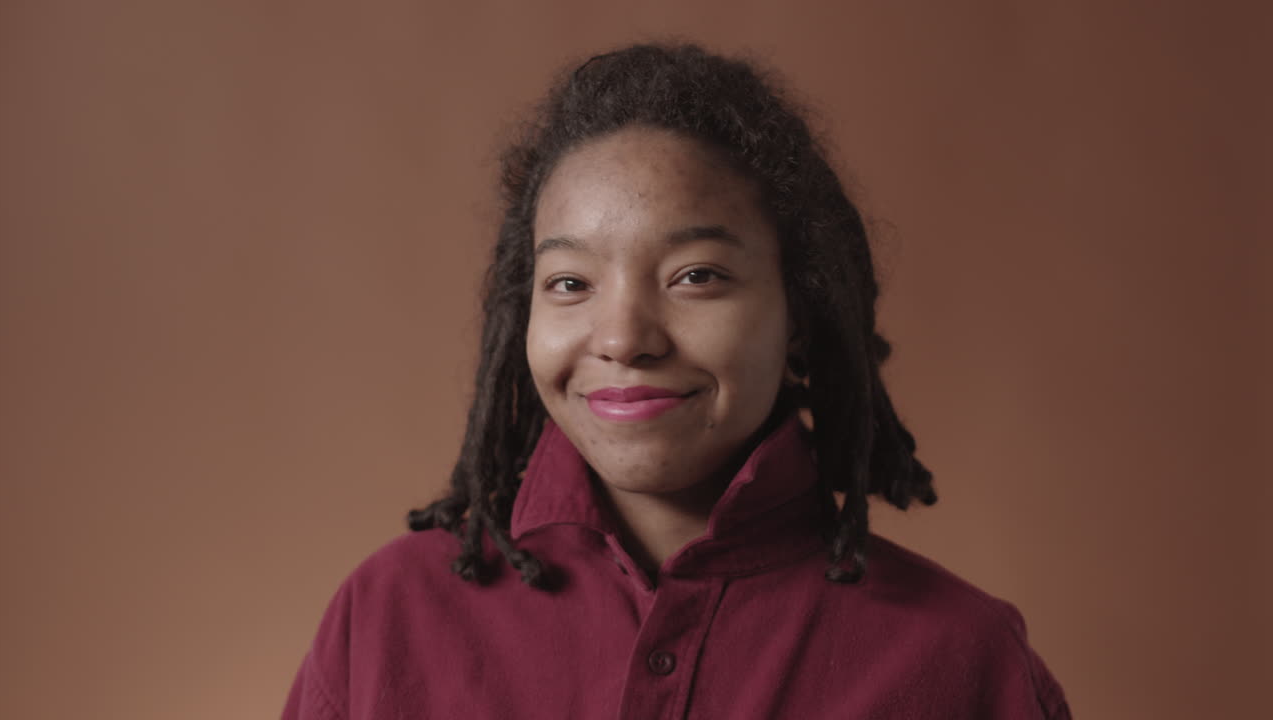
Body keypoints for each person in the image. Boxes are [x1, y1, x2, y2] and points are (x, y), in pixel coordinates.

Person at [282, 43, 1070, 719]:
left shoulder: (961, 659)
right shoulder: (388, 616)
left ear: (799, 313)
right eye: (569, 283)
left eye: (695, 275)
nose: (624, 338)